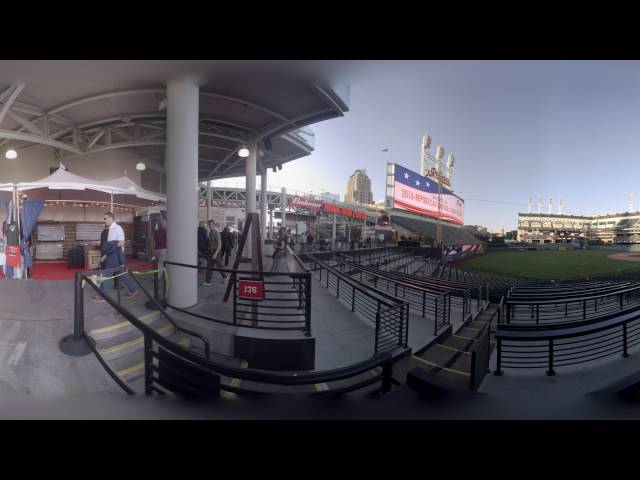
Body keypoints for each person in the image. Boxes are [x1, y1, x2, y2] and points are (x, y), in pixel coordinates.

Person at [91, 212, 139, 302]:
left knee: (106, 274)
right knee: (122, 274)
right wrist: (105, 255)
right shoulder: (111, 229)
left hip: (115, 256)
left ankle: (102, 296)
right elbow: (112, 245)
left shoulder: (117, 228)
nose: (104, 220)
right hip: (112, 255)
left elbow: (121, 242)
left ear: (110, 218)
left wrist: (106, 246)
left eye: (105, 218)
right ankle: (133, 289)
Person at [203, 220, 227, 285]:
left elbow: (220, 244)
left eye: (210, 225)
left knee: (219, 265)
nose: (209, 226)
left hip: (216, 251)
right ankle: (208, 281)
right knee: (209, 266)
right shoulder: (210, 232)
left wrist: (216, 253)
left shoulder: (216, 232)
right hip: (211, 251)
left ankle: (225, 277)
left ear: (213, 225)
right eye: (209, 225)